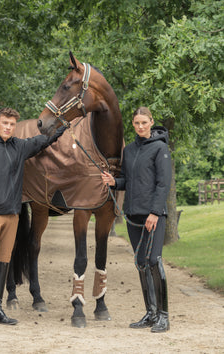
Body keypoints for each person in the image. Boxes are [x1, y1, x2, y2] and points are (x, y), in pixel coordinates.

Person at [0, 107, 65, 328]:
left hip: (13, 213)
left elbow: (44, 140)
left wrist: (64, 125)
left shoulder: (20, 147)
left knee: (4, 260)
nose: (8, 127)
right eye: (5, 123)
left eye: (12, 124)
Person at [101, 106, 172, 333]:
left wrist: (154, 212)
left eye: (144, 122)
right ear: (133, 124)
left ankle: (163, 316)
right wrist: (114, 182)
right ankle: (150, 313)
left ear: (151, 122)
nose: (140, 126)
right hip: (133, 214)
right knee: (141, 263)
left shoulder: (160, 148)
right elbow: (127, 181)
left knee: (153, 260)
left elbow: (163, 184)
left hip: (153, 216)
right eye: (136, 123)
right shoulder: (129, 150)